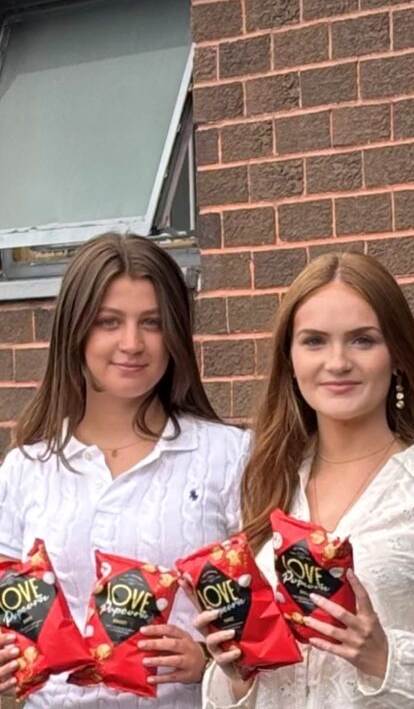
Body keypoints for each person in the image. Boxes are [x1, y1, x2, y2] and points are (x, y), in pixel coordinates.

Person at [199, 251, 414, 708]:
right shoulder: (270, 483)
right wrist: (236, 677)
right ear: (290, 360)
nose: (337, 362)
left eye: (362, 340)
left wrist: (384, 660)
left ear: (398, 356)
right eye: (314, 341)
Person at [0, 232, 250, 707]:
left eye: (152, 323)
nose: (132, 343)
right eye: (108, 322)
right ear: (75, 331)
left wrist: (207, 660)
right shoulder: (25, 469)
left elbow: (269, 623)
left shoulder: (229, 456)